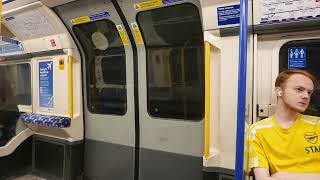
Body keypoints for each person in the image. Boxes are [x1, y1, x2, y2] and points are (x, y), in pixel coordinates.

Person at [248, 69, 320, 180]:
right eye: (299, 89)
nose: (306, 96)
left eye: (309, 92)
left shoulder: (317, 125)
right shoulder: (257, 130)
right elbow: (262, 178)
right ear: (279, 91)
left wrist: (283, 176)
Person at [0, 67, 19, 146]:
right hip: (12, 110)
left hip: (6, 111)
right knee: (9, 135)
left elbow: (4, 98)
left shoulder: (2, 81)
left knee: (7, 136)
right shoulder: (5, 80)